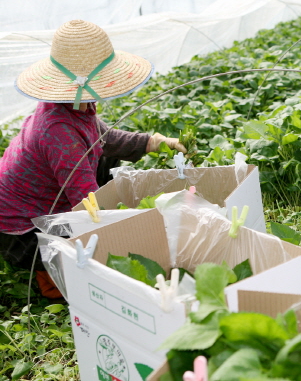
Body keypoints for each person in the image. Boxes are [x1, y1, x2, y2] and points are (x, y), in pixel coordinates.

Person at [0, 20, 187, 298]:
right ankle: (45, 274)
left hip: (49, 192)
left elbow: (104, 139)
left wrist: (152, 142)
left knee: (106, 160)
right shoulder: (58, 132)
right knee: (80, 257)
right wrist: (135, 230)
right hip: (23, 229)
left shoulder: (73, 105)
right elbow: (86, 202)